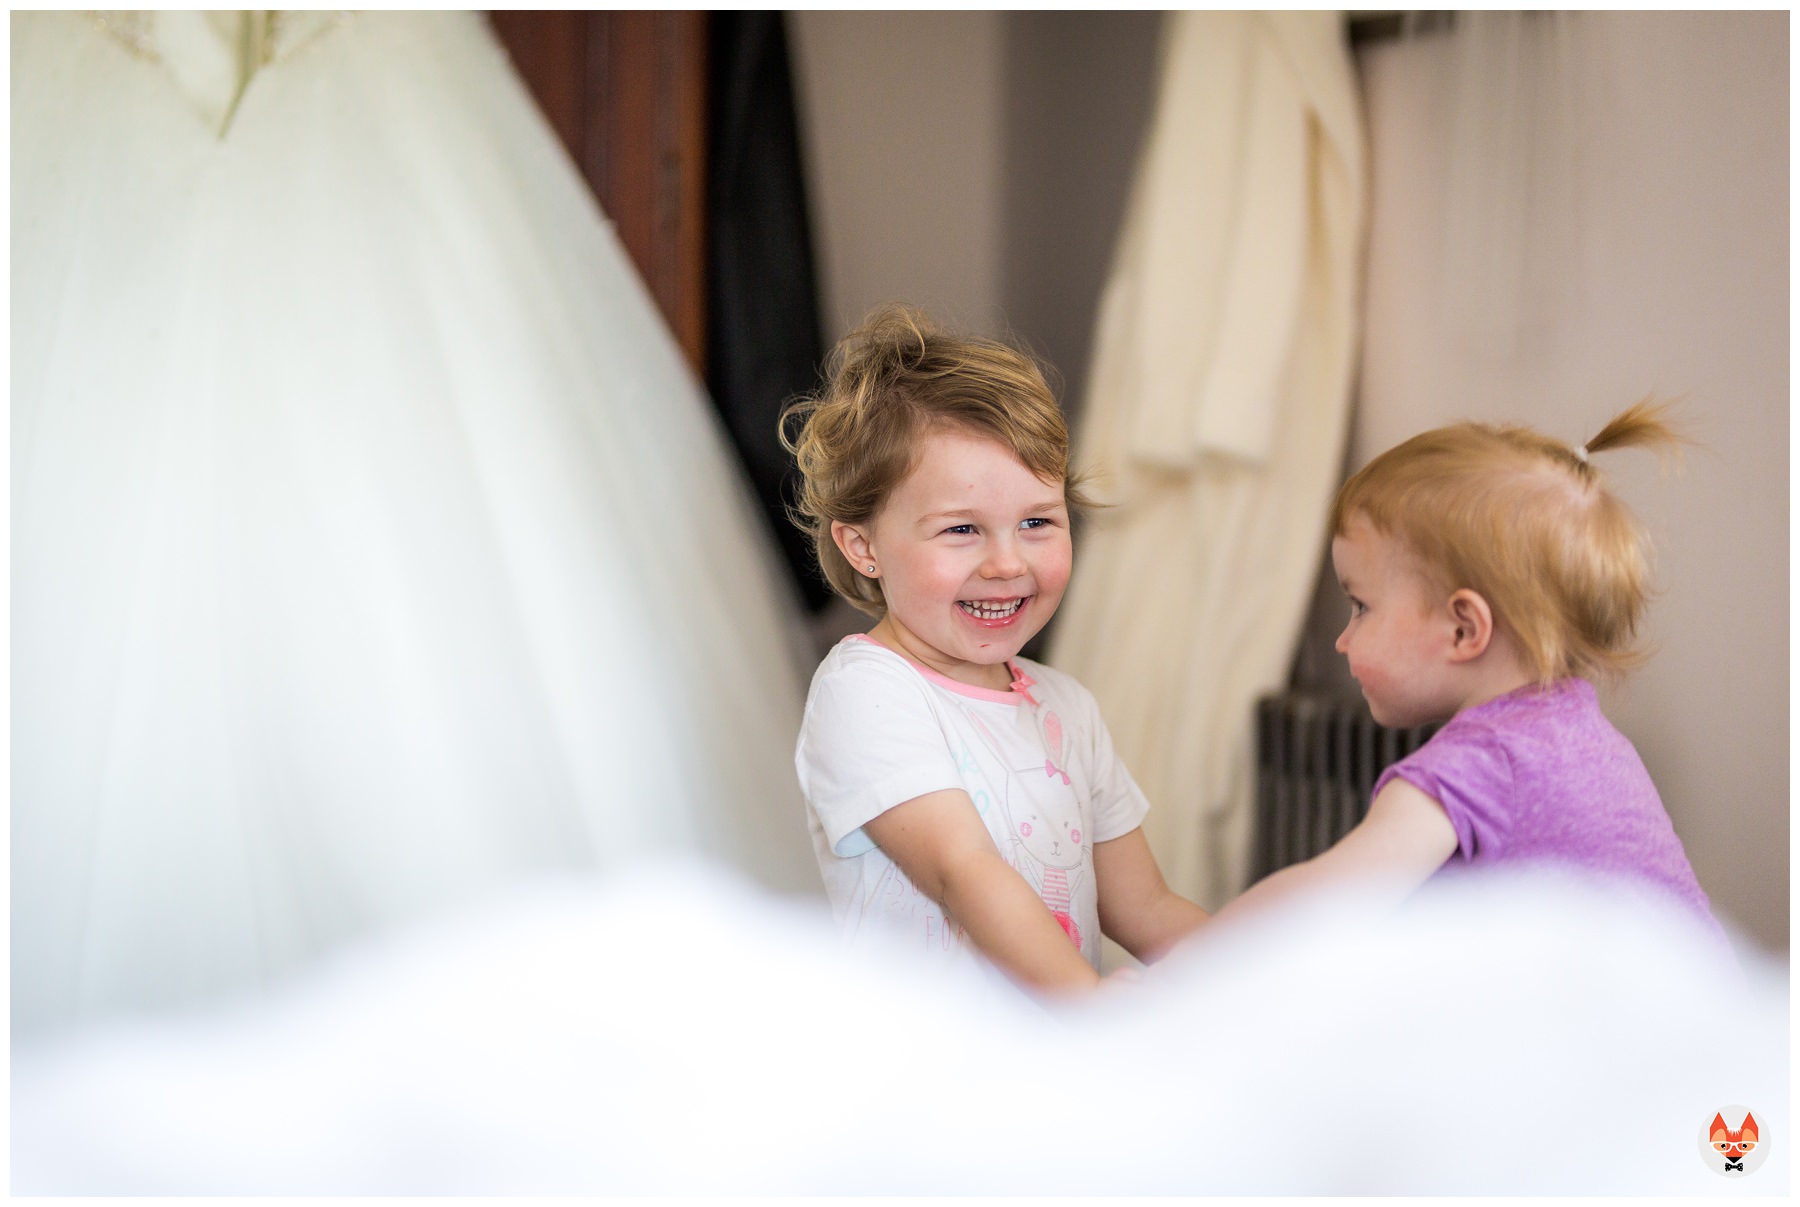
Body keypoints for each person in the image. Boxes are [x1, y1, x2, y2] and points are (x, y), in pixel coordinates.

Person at [782, 305, 1208, 994]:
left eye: (1037, 521)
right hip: (934, 1078)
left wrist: (1276, 982)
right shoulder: (867, 690)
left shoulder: (1067, 706)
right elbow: (962, 870)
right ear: (862, 546)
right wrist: (1091, 1009)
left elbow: (1148, 910)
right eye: (961, 531)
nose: (1008, 563)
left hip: (1048, 1074)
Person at [1211, 402, 1726, 945]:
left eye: (1360, 606)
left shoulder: (1480, 764)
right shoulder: (1581, 733)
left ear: (1463, 629)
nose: (1342, 640)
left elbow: (1330, 902)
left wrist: (1184, 972)